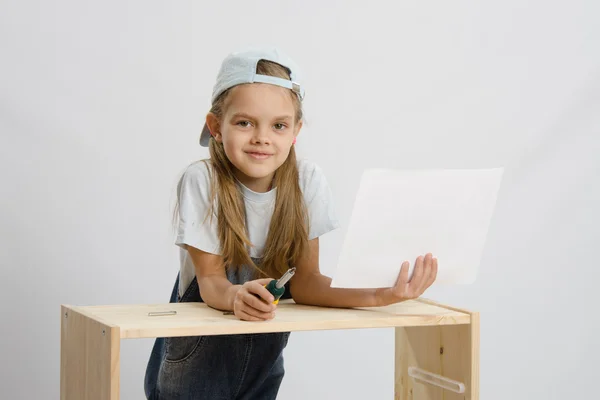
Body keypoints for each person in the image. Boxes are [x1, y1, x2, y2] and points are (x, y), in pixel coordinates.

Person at [143, 47, 438, 400]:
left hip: (263, 357)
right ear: (215, 126)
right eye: (244, 122)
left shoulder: (306, 181)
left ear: (295, 131)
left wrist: (381, 294)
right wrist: (237, 295)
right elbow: (210, 282)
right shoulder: (202, 180)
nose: (262, 138)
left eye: (278, 125)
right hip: (197, 357)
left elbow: (307, 283)